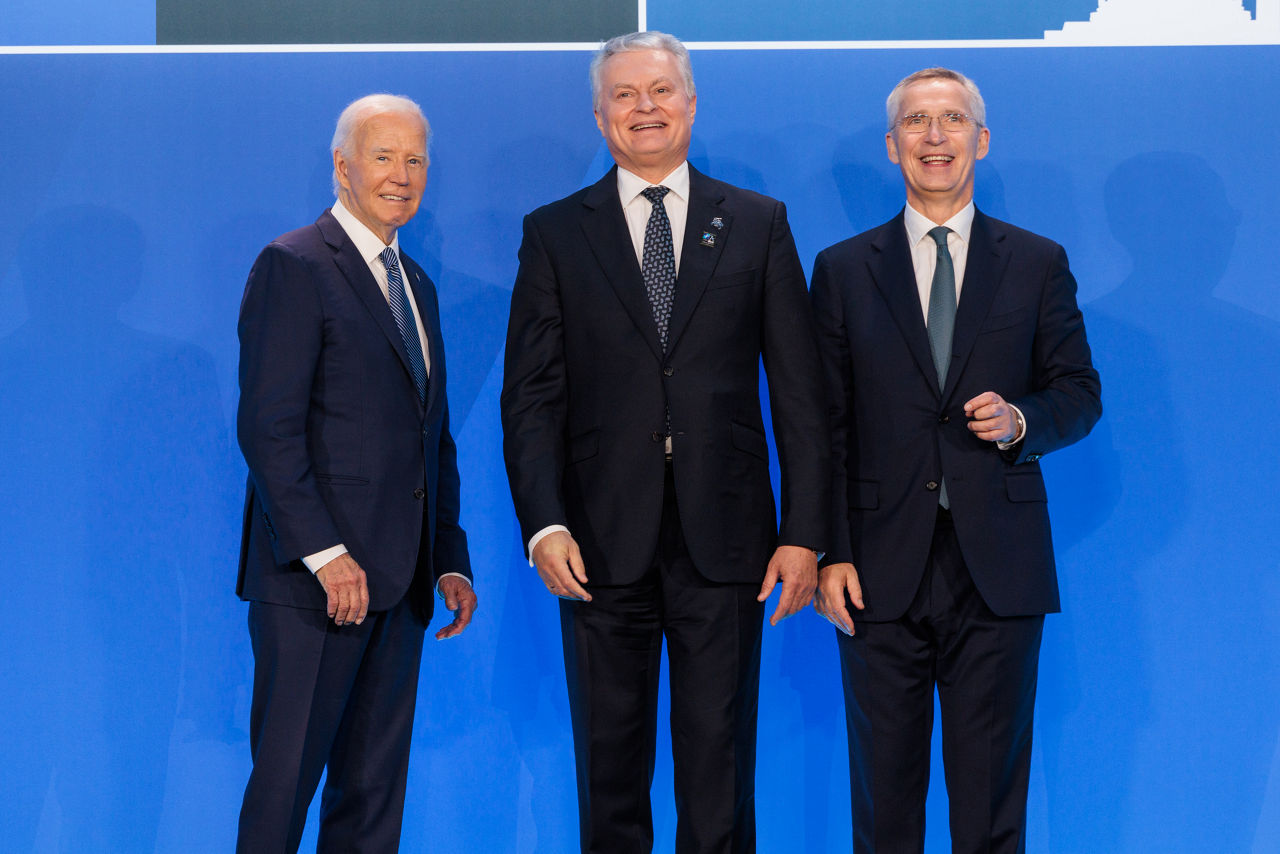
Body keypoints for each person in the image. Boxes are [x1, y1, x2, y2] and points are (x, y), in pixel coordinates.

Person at [500, 31, 828, 854]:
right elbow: (531, 398)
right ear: (600, 115)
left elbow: (800, 396)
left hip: (730, 544)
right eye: (625, 95)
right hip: (597, 543)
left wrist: (804, 533)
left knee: (718, 771)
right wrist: (543, 524)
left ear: (690, 103)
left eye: (660, 92)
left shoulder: (757, 223)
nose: (644, 108)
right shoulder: (554, 234)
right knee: (608, 770)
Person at [809, 67, 1101, 854]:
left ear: (981, 138)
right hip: (875, 570)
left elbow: (1078, 393)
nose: (933, 137)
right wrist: (830, 549)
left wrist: (1018, 422)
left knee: (990, 810)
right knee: (885, 808)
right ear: (891, 145)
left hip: (998, 572)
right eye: (915, 122)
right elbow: (821, 425)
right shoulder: (841, 270)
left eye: (950, 120)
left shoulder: (1038, 262)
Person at [235, 93, 476, 853]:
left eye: (414, 160)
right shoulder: (294, 264)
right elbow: (269, 429)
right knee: (283, 795)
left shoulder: (418, 287)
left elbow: (430, 438)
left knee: (372, 804)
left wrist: (449, 561)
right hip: (313, 589)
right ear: (343, 167)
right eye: (383, 156)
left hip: (399, 589)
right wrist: (326, 554)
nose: (400, 175)